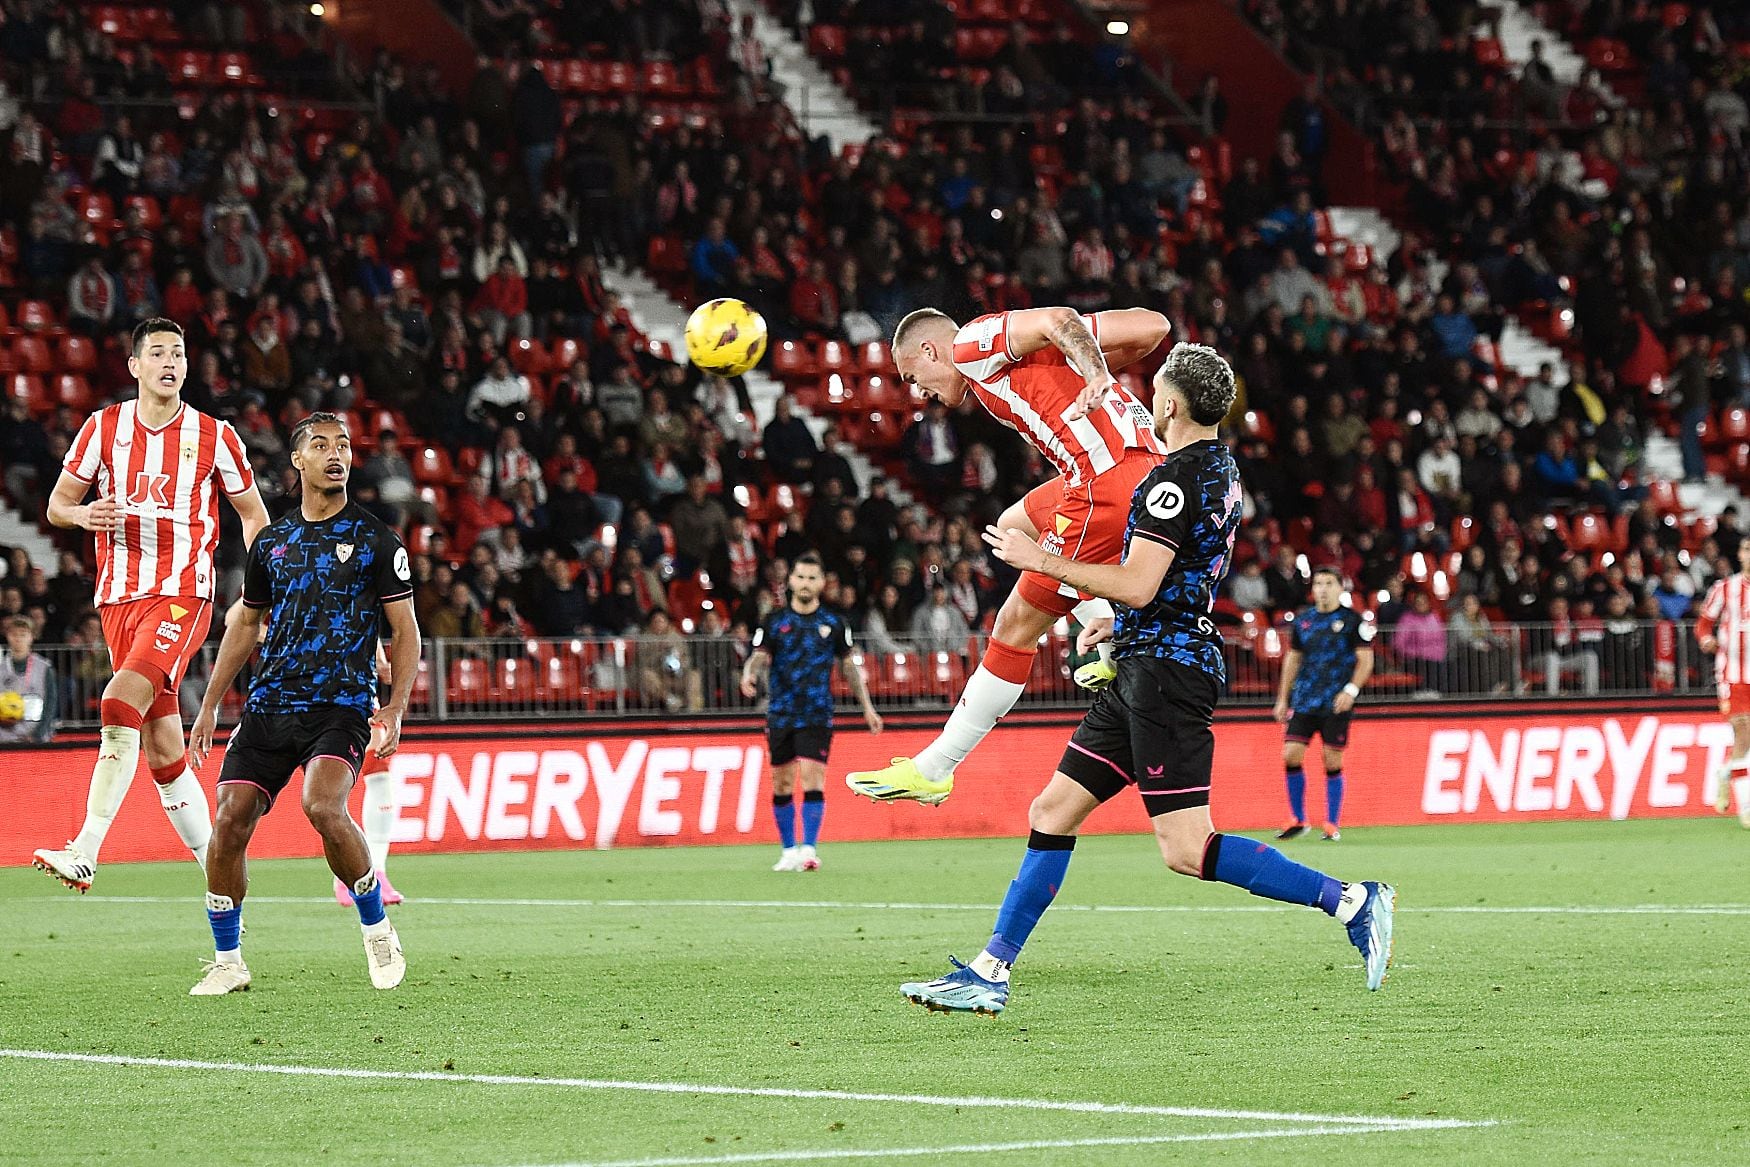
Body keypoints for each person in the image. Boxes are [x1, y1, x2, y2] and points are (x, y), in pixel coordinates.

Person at [900, 344, 1394, 1015]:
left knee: (1187, 848)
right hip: (1149, 657)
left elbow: (1136, 581)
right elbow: (1168, 583)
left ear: (1168, 404)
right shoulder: (1223, 468)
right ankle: (990, 970)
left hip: (1166, 672)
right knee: (1051, 811)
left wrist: (1042, 558)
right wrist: (1121, 626)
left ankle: (1350, 900)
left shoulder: (1170, 483)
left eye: (1154, 392)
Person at [848, 304, 1172, 807]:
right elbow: (1155, 326)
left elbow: (1059, 317)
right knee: (1012, 523)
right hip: (1149, 471)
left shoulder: (970, 344)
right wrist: (1085, 349)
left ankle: (936, 767)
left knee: (1015, 627)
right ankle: (1105, 636)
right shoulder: (1033, 356)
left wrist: (1094, 371)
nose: (919, 393)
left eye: (915, 376)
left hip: (1103, 482)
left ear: (932, 351)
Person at [31, 318, 269, 893]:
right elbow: (57, 506)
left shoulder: (216, 435)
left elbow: (254, 516)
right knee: (164, 749)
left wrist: (255, 594)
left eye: (179, 354)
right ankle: (222, 878)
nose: (171, 362)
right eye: (158, 353)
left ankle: (86, 848)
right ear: (135, 366)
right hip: (118, 599)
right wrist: (84, 514)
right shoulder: (102, 428)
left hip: (184, 594)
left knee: (118, 701)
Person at [188, 412, 419, 995]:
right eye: (321, 446)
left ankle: (376, 927)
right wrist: (213, 703)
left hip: (340, 705)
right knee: (229, 821)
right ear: (298, 461)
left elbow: (406, 629)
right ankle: (228, 959)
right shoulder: (273, 543)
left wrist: (393, 708)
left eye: (344, 444)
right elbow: (245, 624)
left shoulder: (375, 539)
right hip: (269, 705)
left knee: (322, 806)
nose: (336, 453)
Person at [740, 553, 882, 873]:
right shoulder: (774, 621)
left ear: (821, 583)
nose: (805, 583)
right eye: (800, 577)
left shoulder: (833, 624)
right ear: (790, 581)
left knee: (812, 776)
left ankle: (809, 849)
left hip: (816, 713)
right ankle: (788, 849)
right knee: (782, 782)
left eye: (811, 578)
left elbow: (849, 667)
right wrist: (748, 673)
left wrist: (868, 709)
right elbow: (758, 656)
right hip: (780, 713)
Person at [1272, 568, 1374, 842]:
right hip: (1305, 700)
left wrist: (1351, 691)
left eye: (1329, 583)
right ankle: (1298, 819)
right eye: (1318, 583)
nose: (1323, 588)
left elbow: (1365, 659)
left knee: (1331, 759)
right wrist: (1283, 698)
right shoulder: (1303, 621)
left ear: (1341, 588)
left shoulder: (1352, 621)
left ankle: (1331, 823)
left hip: (1336, 702)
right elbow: (1292, 660)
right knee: (1290, 754)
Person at [333, 636, 406, 906]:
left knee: (378, 770)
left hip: (359, 682)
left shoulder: (355, 596)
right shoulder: (291, 593)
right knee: (335, 780)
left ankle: (376, 870)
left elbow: (363, 622)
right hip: (320, 684)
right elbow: (236, 619)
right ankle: (348, 871)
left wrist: (380, 658)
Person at [1697, 538, 1750, 827]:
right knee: (1743, 733)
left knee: (1747, 742)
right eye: (1747, 549)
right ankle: (1746, 809)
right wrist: (1706, 639)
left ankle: (1726, 772)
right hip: (1733, 674)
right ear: (1740, 554)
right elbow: (1704, 623)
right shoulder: (1725, 588)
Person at [0, 615, 57, 744]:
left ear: (32, 637)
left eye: (23, 634)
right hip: (4, 735)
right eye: (14, 634)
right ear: (7, 636)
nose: (18, 639)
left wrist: (39, 734)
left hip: (34, 736)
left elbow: (51, 703)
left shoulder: (44, 667)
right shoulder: (1, 666)